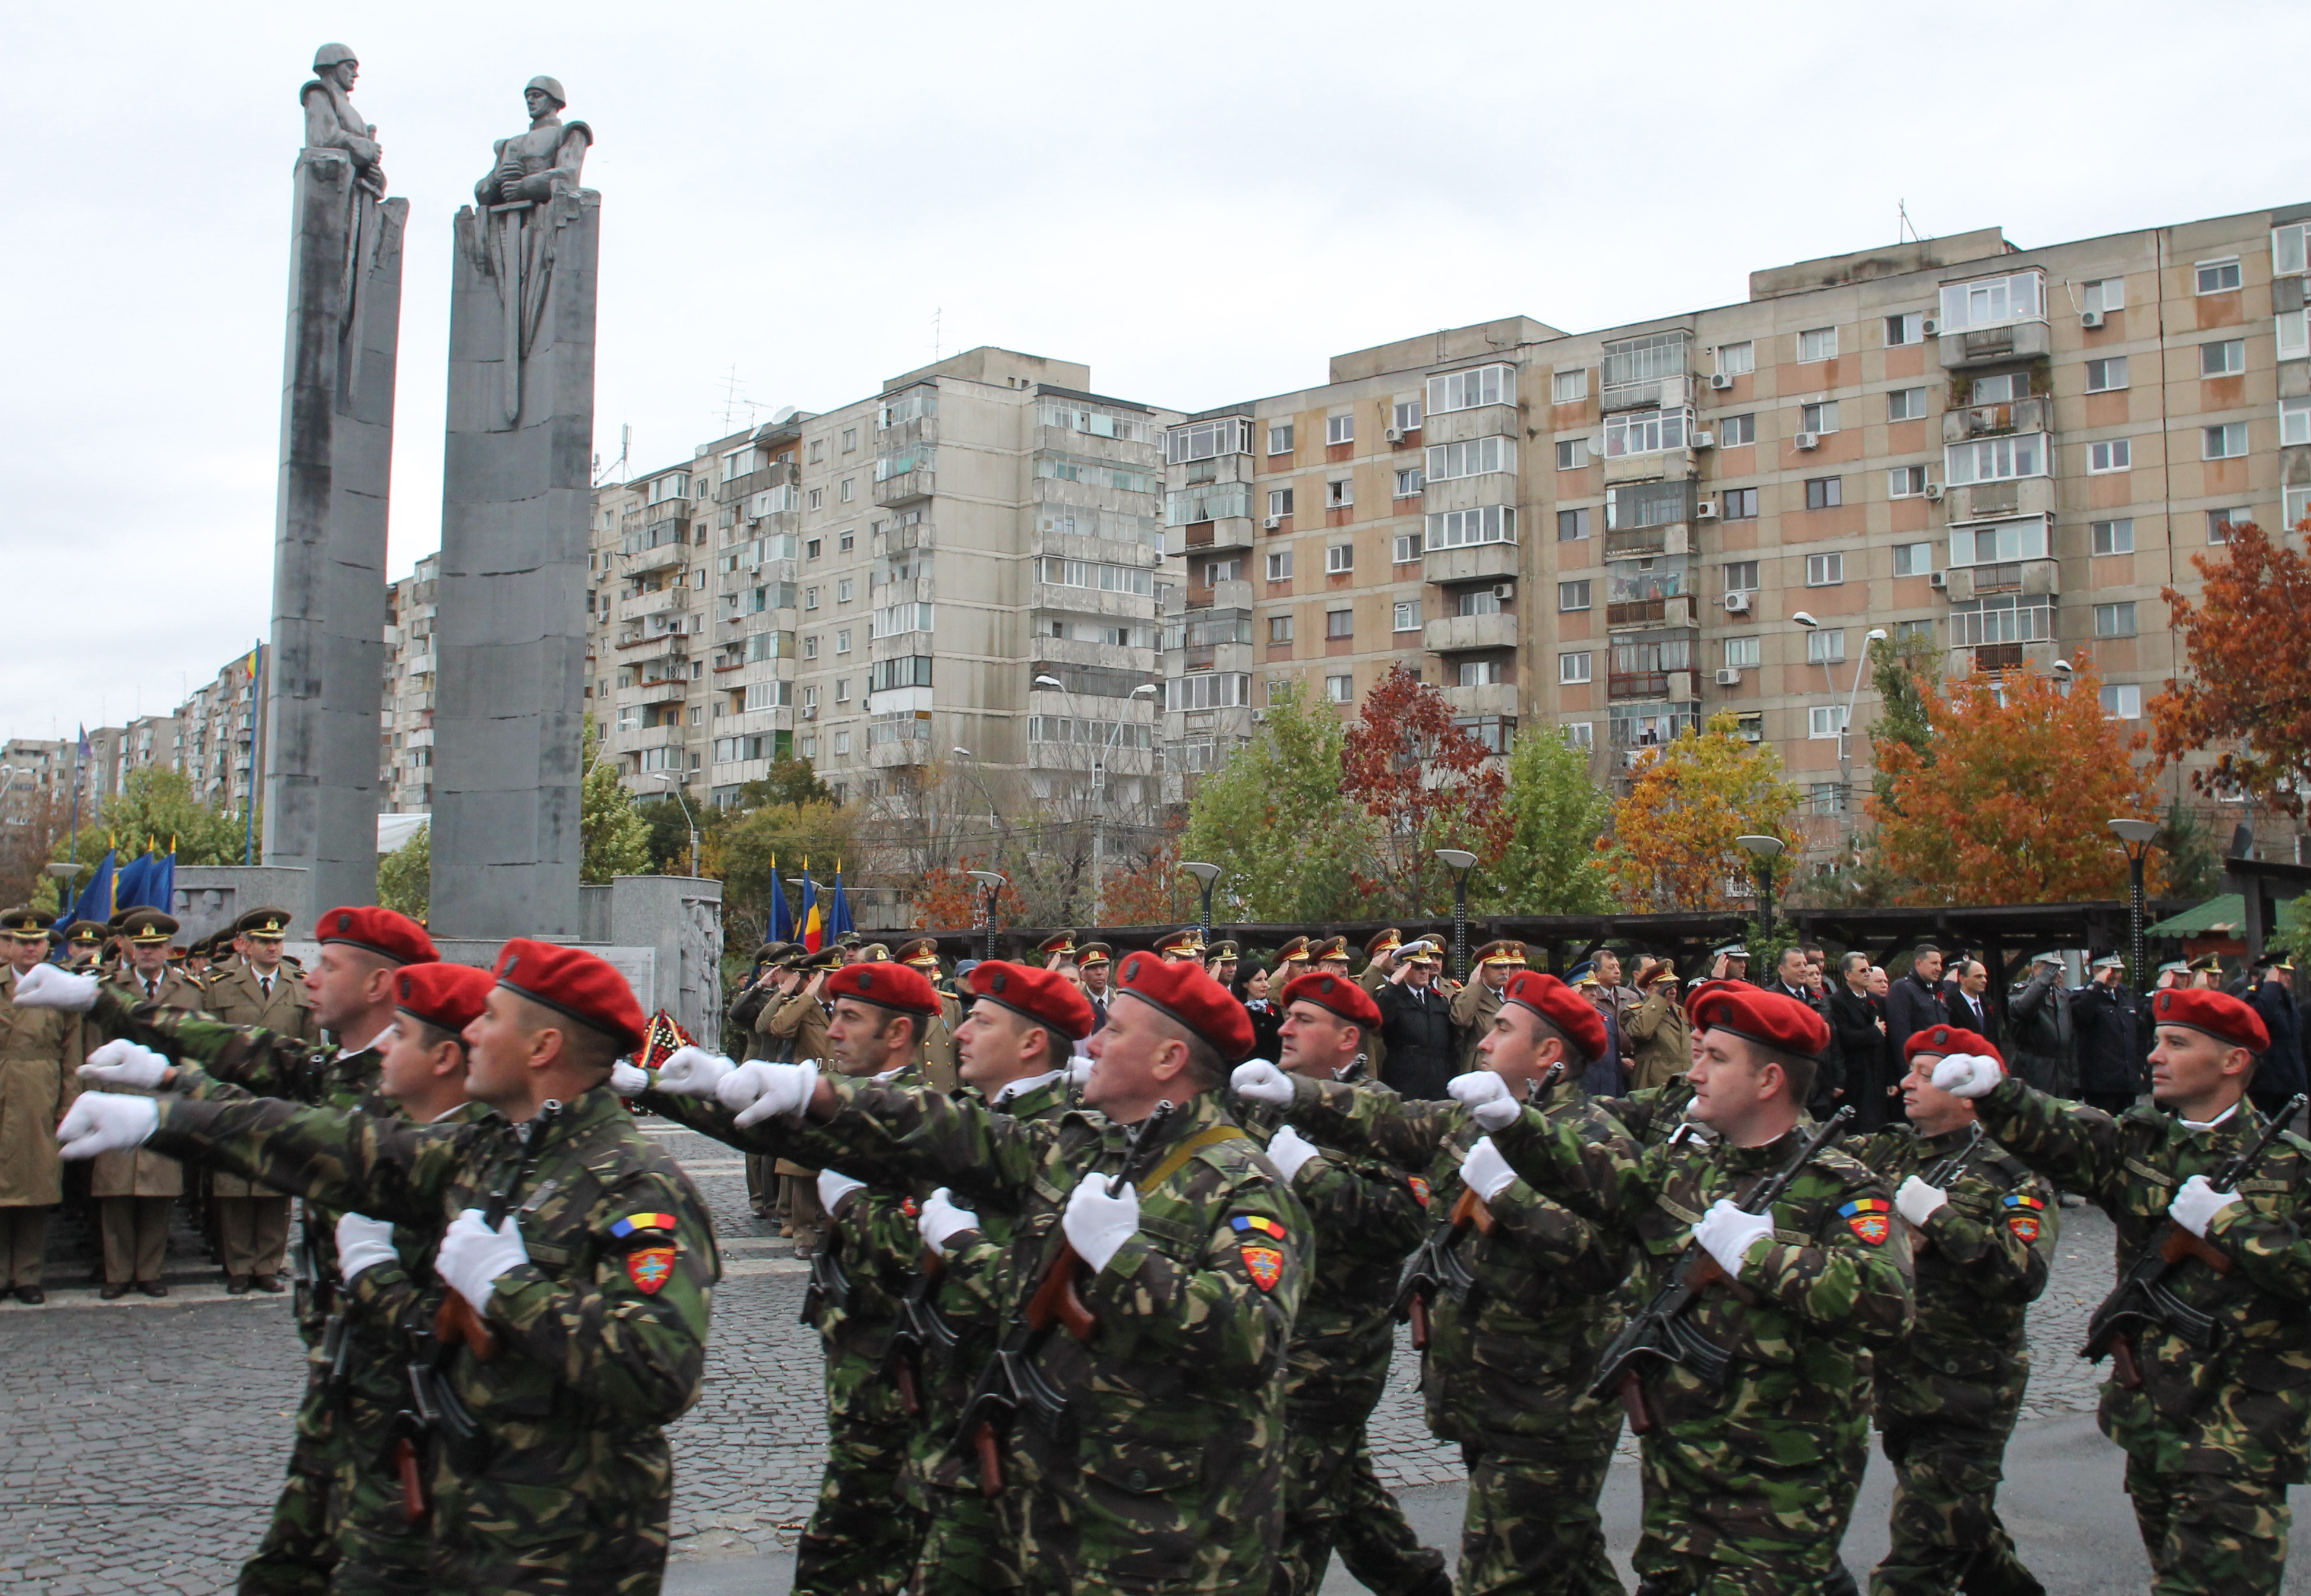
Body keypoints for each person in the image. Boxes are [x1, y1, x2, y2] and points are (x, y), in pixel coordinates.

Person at [59, 938, 716, 1594]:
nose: (473, 1034)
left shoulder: (635, 1186)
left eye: (489, 1018)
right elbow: (344, 1145)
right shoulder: (496, 1149)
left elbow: (660, 1371)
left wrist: (507, 1288)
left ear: (543, 1048)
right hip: (468, 1527)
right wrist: (162, 1118)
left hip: (569, 1549)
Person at [672, 951, 1305, 1592]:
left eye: (1114, 1031)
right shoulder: (1086, 1145)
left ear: (1168, 1060)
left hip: (1169, 1539)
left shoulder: (1241, 1187)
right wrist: (816, 1093)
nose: (1092, 1042)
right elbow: (952, 1128)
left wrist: (1124, 1257)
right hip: (1054, 1504)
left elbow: (1250, 1339)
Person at [23, 903, 437, 1589]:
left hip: (392, 1395)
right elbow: (251, 1055)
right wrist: (157, 1066)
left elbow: (281, 1130)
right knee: (285, 1570)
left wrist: (166, 1110)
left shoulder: (405, 1091)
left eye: (329, 967)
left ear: (378, 986)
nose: (309, 979)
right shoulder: (354, 1067)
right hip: (342, 1375)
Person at [1479, 984, 1915, 1594]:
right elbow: (1607, 1179)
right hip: (1679, 1476)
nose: (1694, 1071)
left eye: (1714, 1057)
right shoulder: (1691, 1165)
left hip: (1777, 1483)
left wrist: (1759, 1254)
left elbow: (1888, 1302)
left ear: (1767, 1081)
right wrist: (1516, 1127)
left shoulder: (1841, 1187)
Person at [1239, 970, 1629, 1595]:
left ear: (1549, 1054)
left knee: (1502, 1577)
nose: (1480, 1042)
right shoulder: (1476, 1122)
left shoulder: (1591, 1139)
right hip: (1489, 1397)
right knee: (1570, 1562)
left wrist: (1510, 1195)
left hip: (1551, 1407)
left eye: (1501, 1030)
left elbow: (1602, 1262)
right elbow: (1394, 1119)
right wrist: (1296, 1095)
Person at [1927, 984, 2311, 1595]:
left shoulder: (2292, 1167)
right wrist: (1995, 1090)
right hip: (2153, 1421)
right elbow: (2065, 1135)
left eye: (2177, 1044)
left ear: (2234, 1061)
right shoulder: (2143, 1141)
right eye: (2157, 1041)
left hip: (2244, 1434)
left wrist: (2232, 1224)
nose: (2154, 1055)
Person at [646, 961, 949, 1595]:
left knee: (881, 1541)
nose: (832, 1031)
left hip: (907, 1370)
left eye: (849, 1018)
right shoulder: (855, 1099)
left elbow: (915, 1253)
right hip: (859, 1363)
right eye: (833, 1014)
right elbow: (759, 1123)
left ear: (898, 1035)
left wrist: (851, 1207)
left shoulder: (927, 1117)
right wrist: (658, 1089)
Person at [1239, 972, 1444, 1596]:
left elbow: (1397, 1223)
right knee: (1356, 1510)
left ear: (1348, 1038)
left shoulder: (1381, 1115)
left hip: (1333, 1350)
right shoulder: (1261, 1103)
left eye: (1303, 1019)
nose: (1286, 1028)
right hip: (1273, 1337)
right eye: (1286, 1016)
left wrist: (1309, 1175)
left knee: (1287, 1520)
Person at [1842, 1024, 2055, 1596]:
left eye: (1922, 1073)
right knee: (1964, 1531)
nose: (1904, 1083)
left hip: (1969, 1392)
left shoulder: (2011, 1174)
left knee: (1918, 1560)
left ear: (1967, 1091)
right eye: (1908, 1070)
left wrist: (1940, 1220)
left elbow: (2023, 1278)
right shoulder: (1886, 1151)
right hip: (1899, 1380)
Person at [202, 907, 318, 1294]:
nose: (273, 947)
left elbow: (310, 1048)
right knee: (234, 1182)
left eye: (278, 941)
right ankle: (238, 1264)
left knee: (276, 1183)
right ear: (245, 945)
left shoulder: (299, 984)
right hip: (234, 1094)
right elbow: (207, 1044)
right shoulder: (219, 986)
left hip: (281, 1097)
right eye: (265, 942)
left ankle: (268, 1263)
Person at [0, 907, 81, 1303]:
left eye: (38, 942)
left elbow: (72, 1055)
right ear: (8, 946)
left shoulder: (64, 989)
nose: (31, 949)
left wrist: (68, 1105)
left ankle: (27, 1275)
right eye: (23, 942)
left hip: (40, 1096)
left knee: (35, 1192)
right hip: (2, 1094)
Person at [1377, 940, 1456, 1101]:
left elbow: (1451, 1044)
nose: (1425, 972)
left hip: (1438, 1077)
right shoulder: (1393, 997)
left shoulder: (1438, 1000)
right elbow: (1380, 1020)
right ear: (1405, 968)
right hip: (1405, 1076)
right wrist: (1392, 985)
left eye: (1427, 967)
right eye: (1418, 967)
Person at [1829, 951, 1896, 1132]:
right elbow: (1845, 1037)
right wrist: (1874, 1032)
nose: (1868, 973)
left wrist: (1891, 1078)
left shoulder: (1877, 1001)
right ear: (1848, 975)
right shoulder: (1837, 1002)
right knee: (1860, 1128)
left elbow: (1887, 1042)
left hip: (1878, 1076)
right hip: (1856, 1079)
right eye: (1863, 970)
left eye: (1868, 969)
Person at [2071, 954, 2146, 1116]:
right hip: (2101, 1086)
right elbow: (2082, 1016)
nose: (2117, 975)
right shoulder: (2084, 996)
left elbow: (2138, 1034)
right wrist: (2097, 985)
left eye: (2119, 971)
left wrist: (2138, 1066)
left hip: (2127, 1083)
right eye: (2112, 971)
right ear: (2098, 971)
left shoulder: (2126, 996)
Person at [2239, 958, 2306, 1119]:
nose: (2289, 977)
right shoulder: (2254, 995)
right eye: (2283, 973)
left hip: (2288, 1080)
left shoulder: (2286, 997)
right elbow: (2260, 1016)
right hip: (2265, 1082)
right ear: (2271, 974)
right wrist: (2271, 986)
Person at [2006, 953, 2076, 1100]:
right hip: (2034, 1069)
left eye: (2058, 969)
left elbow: (2070, 1038)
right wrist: (2042, 981)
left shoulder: (2060, 995)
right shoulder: (2021, 991)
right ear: (2036, 968)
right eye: (2051, 969)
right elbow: (2022, 1009)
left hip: (2061, 1071)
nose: (2057, 974)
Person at [1449, 940, 1523, 1074]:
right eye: (1497, 967)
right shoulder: (1471, 996)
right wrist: (1473, 985)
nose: (1504, 972)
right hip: (1482, 1069)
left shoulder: (1513, 996)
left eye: (1506, 966)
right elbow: (1461, 1020)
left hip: (1510, 1067)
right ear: (1482, 970)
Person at [1623, 957, 1690, 1092]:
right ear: (1651, 990)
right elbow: (1641, 1032)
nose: (1673, 991)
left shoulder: (1681, 1011)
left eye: (1674, 985)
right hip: (1654, 1085)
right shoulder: (1635, 1012)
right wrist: (1659, 999)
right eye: (1665, 987)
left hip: (1683, 1083)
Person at [1885, 945, 1948, 1053]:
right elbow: (1900, 1035)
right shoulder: (1902, 988)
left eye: (1940, 964)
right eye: (1934, 963)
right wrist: (1909, 1068)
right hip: (1918, 1062)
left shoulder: (1937, 991)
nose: (1939, 969)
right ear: (1918, 964)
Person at [1944, 959, 2001, 1050]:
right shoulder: (1949, 1005)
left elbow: (1995, 1039)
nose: (1984, 981)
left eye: (1985, 977)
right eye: (1978, 977)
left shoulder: (1988, 1005)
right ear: (1962, 979)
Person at [1236, 963, 1283, 1064]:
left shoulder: (1274, 1009)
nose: (1265, 984)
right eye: (1258, 980)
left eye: (1266, 979)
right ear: (1245, 984)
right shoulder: (1237, 1011)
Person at [1077, 942, 1114, 1030]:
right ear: (1083, 974)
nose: (1099, 973)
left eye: (1103, 967)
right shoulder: (1077, 1001)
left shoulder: (1121, 999)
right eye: (1093, 968)